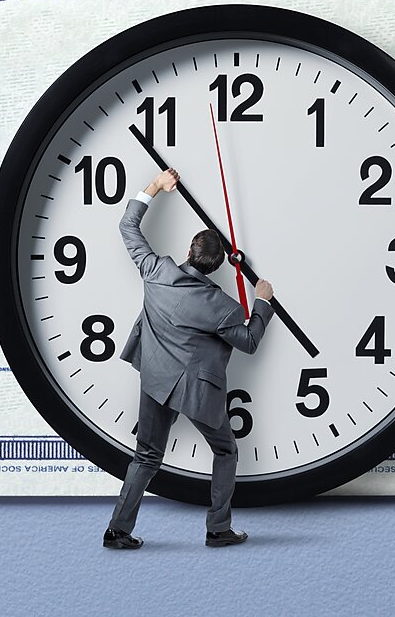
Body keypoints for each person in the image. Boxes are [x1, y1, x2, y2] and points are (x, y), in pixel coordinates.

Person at [103, 168, 275, 550]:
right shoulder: (221, 306)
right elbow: (248, 341)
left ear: (188, 251)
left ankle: (117, 530)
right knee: (226, 449)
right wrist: (262, 301)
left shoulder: (156, 270)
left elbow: (128, 224)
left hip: (155, 379)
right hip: (195, 391)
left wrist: (156, 187)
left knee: (145, 456)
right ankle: (218, 529)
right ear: (217, 268)